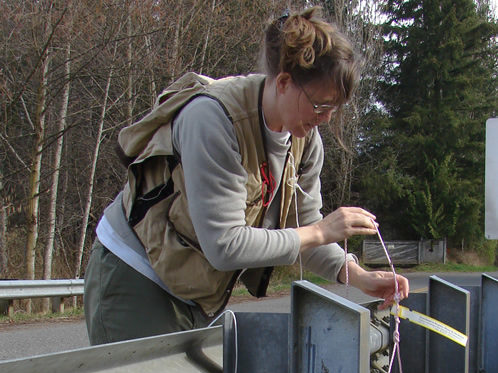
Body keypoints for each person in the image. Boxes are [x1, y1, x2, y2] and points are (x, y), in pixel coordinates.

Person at [84, 6, 409, 345]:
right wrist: (319, 230)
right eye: (319, 106)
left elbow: (307, 234)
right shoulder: (213, 119)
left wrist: (355, 274)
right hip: (136, 272)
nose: (326, 119)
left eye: (334, 109)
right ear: (283, 82)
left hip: (193, 289)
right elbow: (225, 245)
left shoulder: (304, 141)